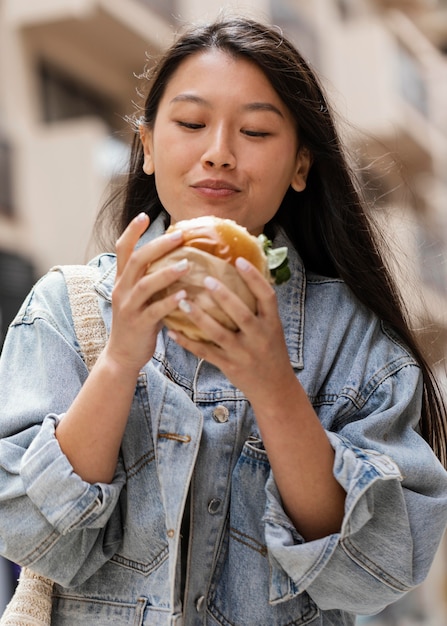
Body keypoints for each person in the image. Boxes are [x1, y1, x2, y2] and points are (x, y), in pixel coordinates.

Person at [0, 16, 447, 626]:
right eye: (190, 123)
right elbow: (23, 533)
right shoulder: (62, 310)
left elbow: (378, 570)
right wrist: (119, 359)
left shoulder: (355, 338)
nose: (219, 153)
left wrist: (272, 383)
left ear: (300, 166)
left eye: (256, 130)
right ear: (148, 148)